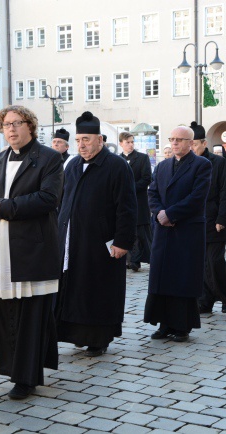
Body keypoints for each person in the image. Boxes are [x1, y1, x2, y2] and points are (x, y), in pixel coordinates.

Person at [0, 106, 63, 400]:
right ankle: (11, 366)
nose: (11, 129)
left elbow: (48, 197)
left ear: (31, 125)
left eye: (17, 123)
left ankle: (26, 377)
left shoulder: (49, 159)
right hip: (0, 245)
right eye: (5, 125)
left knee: (30, 313)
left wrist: (6, 208)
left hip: (32, 247)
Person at [56, 111, 137, 357]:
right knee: (75, 287)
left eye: (87, 140)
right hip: (73, 239)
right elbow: (62, 199)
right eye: (78, 140)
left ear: (100, 140)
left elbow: (127, 206)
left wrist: (122, 241)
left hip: (102, 242)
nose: (82, 145)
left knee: (98, 289)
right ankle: (75, 334)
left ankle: (98, 338)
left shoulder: (116, 165)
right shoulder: (72, 165)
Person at [145, 125, 211, 341]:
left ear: (190, 143)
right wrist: (158, 213)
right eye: (172, 139)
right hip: (163, 231)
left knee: (182, 277)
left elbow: (197, 197)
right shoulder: (162, 166)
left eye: (179, 140)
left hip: (187, 230)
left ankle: (182, 326)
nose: (174, 143)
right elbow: (152, 192)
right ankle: (164, 324)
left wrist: (171, 214)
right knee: (162, 277)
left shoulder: (201, 165)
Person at [188, 122, 226, 314]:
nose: (191, 148)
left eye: (195, 144)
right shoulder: (187, 164)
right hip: (193, 222)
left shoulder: (218, 163)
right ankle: (204, 300)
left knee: (214, 262)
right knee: (199, 264)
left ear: (204, 143)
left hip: (215, 221)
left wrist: (222, 219)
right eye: (188, 144)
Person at [119, 131, 152, 272]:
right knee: (127, 230)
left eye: (132, 142)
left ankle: (138, 260)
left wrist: (130, 188)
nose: (131, 144)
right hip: (123, 203)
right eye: (128, 142)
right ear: (121, 143)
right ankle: (130, 260)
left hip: (139, 201)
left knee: (141, 233)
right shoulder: (117, 160)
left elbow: (146, 178)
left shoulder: (142, 158)